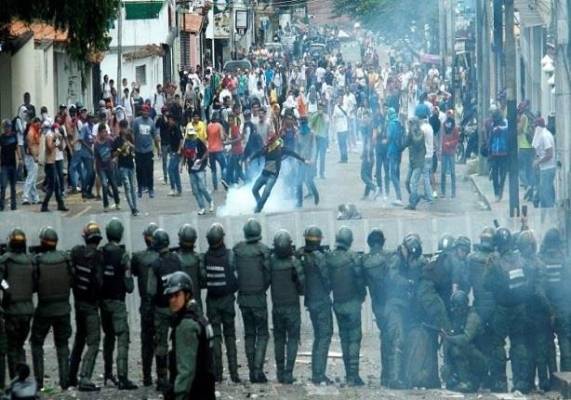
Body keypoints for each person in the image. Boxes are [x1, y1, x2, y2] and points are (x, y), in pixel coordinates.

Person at [484, 227, 531, 393]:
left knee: (497, 345)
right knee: (519, 344)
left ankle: (500, 382)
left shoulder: (495, 262)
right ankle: (521, 382)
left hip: (502, 309)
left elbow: (486, 284)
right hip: (520, 308)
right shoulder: (521, 259)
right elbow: (528, 281)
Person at [30, 227, 72, 390]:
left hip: (44, 309)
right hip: (63, 309)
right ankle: (65, 381)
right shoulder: (65, 258)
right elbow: (72, 278)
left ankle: (39, 382)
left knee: (36, 343)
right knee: (62, 344)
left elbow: (33, 285)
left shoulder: (38, 260)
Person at [163, 271, 216, 400]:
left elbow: (186, 370)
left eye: (177, 295)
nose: (173, 300)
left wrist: (178, 394)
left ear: (187, 295)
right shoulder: (200, 317)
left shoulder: (186, 325)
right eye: (170, 296)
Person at [324, 227, 366, 386]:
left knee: (344, 339)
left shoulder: (329, 257)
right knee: (354, 338)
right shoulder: (353, 257)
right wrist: (362, 295)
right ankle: (353, 375)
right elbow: (360, 280)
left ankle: (349, 373)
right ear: (350, 240)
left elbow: (327, 282)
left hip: (338, 303)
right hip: (353, 302)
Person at [99, 219, 137, 390]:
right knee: (122, 338)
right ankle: (122, 376)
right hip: (118, 302)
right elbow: (129, 286)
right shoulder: (123, 255)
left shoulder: (101, 253)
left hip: (103, 302)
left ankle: (108, 374)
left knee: (108, 337)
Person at [233, 219, 271, 383]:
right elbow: (268, 275)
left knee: (249, 334)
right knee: (262, 334)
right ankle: (257, 370)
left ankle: (251, 371)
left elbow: (233, 271)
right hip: (259, 298)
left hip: (244, 298)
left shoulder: (238, 249)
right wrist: (261, 288)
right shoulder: (264, 250)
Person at [202, 224, 240, 383]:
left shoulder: (205, 257)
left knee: (215, 337)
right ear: (222, 238)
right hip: (227, 301)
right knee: (230, 336)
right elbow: (236, 280)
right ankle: (234, 374)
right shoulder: (230, 255)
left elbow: (203, 280)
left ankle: (218, 374)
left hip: (212, 302)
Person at [68, 222, 104, 391]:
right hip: (91, 306)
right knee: (94, 342)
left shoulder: (76, 252)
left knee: (79, 339)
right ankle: (85, 377)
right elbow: (99, 283)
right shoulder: (99, 257)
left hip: (78, 303)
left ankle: (70, 376)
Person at [296, 226, 333, 384]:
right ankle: (318, 374)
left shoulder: (300, 255)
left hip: (310, 301)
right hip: (322, 301)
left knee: (318, 337)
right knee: (324, 336)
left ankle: (317, 372)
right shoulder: (319, 257)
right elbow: (327, 279)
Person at [147, 228, 182, 392]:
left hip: (161, 309)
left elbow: (151, 291)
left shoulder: (155, 265)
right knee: (178, 343)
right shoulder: (177, 260)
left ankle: (162, 378)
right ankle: (178, 376)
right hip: (177, 308)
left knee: (161, 345)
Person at [269, 230, 304, 384]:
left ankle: (280, 372)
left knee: (279, 339)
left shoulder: (271, 262)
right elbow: (302, 287)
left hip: (277, 307)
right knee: (293, 339)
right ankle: (288, 373)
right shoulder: (294, 262)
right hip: (292, 307)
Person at [0, 229, 34, 379]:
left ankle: (16, 380)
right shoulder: (30, 260)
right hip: (27, 310)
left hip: (12, 311)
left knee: (12, 347)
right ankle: (22, 379)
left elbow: (1, 280)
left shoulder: (6, 259)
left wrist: (7, 289)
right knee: (20, 346)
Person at [538, 228, 571, 372]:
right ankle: (567, 377)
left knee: (548, 345)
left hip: (545, 307)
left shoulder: (541, 259)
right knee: (565, 342)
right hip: (563, 307)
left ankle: (553, 377)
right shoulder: (564, 259)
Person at [130, 222, 159, 386]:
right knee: (161, 341)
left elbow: (134, 272)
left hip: (146, 306)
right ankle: (162, 376)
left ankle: (147, 376)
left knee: (146, 342)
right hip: (160, 306)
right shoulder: (163, 258)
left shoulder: (138, 258)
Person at [249, 133, 308, 213]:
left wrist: (303, 160)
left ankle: (258, 209)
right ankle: (259, 204)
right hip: (264, 174)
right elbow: (258, 153)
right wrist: (250, 159)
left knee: (266, 192)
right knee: (254, 190)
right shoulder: (267, 149)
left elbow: (292, 153)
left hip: (272, 176)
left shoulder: (281, 150)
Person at [361, 229, 391, 385]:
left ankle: (385, 375)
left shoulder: (365, 260)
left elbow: (362, 282)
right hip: (392, 303)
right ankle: (394, 374)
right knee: (395, 338)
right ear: (382, 242)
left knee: (384, 337)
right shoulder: (390, 257)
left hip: (377, 305)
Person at [441, 291, 486, 392]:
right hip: (471, 356)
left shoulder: (473, 317)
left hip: (480, 360)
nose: (455, 309)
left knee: (457, 349)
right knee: (451, 348)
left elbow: (465, 339)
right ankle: (457, 377)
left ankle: (466, 382)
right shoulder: (458, 317)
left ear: (463, 305)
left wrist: (448, 337)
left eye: (457, 306)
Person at [181, 125, 214, 215]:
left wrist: (201, 160)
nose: (191, 136)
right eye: (189, 135)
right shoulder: (185, 143)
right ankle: (202, 207)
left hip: (200, 167)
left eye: (192, 134)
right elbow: (184, 155)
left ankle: (210, 201)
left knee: (202, 187)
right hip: (191, 169)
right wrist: (181, 165)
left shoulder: (198, 141)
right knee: (195, 190)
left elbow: (206, 151)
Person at [133, 104, 161, 198]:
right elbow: (133, 134)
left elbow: (155, 136)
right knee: (139, 170)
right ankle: (140, 188)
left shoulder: (151, 122)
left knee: (149, 170)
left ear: (149, 112)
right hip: (138, 150)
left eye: (147, 111)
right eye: (144, 111)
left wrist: (158, 149)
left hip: (148, 150)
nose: (145, 112)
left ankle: (150, 189)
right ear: (141, 111)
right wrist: (133, 147)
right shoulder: (136, 121)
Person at [40, 121, 68, 212]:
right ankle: (44, 205)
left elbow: (60, 148)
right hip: (49, 163)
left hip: (53, 163)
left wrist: (61, 139)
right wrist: (55, 139)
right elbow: (50, 147)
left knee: (57, 186)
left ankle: (60, 204)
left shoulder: (53, 136)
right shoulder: (49, 136)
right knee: (52, 187)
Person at [113, 120, 138, 216]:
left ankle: (135, 207)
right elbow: (114, 154)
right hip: (122, 165)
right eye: (123, 127)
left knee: (133, 187)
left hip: (130, 164)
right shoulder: (117, 140)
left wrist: (131, 145)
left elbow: (135, 148)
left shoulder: (130, 137)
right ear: (120, 128)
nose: (124, 129)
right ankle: (132, 208)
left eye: (126, 127)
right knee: (127, 186)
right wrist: (121, 149)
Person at [176, 225, 204, 311]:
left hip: (179, 304)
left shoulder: (174, 258)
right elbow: (203, 282)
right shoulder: (199, 258)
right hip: (196, 303)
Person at [94, 123, 120, 211]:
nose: (105, 134)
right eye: (103, 132)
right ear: (99, 133)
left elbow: (116, 151)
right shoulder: (96, 144)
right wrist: (96, 169)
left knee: (114, 185)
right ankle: (106, 205)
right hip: (101, 168)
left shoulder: (110, 141)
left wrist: (115, 158)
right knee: (104, 185)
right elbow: (96, 158)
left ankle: (117, 202)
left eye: (105, 132)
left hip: (109, 166)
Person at [531, 117, 556, 208]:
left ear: (538, 127)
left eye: (534, 127)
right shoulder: (543, 134)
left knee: (545, 194)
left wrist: (538, 162)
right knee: (545, 191)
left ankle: (549, 211)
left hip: (547, 168)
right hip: (545, 168)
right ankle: (547, 210)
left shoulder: (544, 136)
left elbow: (549, 154)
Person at [296, 116, 319, 207]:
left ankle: (316, 194)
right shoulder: (298, 134)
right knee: (299, 182)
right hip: (301, 161)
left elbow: (314, 147)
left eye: (304, 122)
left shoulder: (311, 134)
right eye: (301, 122)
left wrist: (313, 159)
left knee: (309, 180)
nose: (302, 124)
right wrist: (297, 158)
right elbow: (297, 148)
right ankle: (299, 202)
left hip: (310, 160)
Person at [404, 117, 426, 210]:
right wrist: (408, 133)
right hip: (412, 161)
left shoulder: (421, 133)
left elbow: (417, 143)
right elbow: (405, 143)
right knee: (407, 182)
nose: (410, 126)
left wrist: (411, 132)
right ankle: (415, 197)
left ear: (416, 124)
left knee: (414, 182)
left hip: (419, 161)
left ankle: (412, 204)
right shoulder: (410, 133)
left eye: (411, 124)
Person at [488, 110, 509, 202]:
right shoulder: (493, 125)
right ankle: (497, 193)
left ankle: (500, 191)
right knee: (495, 175)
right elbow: (490, 138)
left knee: (503, 175)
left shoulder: (505, 123)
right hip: (494, 153)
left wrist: (500, 128)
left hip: (504, 153)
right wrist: (489, 151)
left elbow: (507, 130)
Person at [0, 120, 19, 211]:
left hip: (13, 164)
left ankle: (13, 205)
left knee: (13, 186)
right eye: (6, 127)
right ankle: (1, 205)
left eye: (9, 126)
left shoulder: (14, 136)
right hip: (4, 165)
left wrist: (20, 159)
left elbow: (17, 147)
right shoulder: (1, 137)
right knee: (3, 186)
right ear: (4, 128)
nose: (8, 128)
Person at [21, 118, 41, 206]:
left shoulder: (35, 131)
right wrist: (34, 157)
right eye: (38, 124)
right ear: (34, 123)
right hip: (31, 157)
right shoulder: (31, 132)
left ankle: (35, 198)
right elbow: (30, 146)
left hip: (34, 157)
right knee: (30, 178)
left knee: (33, 179)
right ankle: (25, 197)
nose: (39, 125)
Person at [206, 113, 228, 191]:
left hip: (211, 150)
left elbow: (207, 137)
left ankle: (215, 188)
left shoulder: (208, 126)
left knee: (213, 170)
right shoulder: (219, 126)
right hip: (219, 150)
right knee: (224, 166)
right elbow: (222, 138)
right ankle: (223, 179)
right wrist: (225, 137)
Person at [440, 110, 459, 198]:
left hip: (451, 152)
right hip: (444, 152)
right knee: (443, 172)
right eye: (447, 114)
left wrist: (450, 143)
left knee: (452, 172)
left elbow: (457, 140)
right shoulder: (443, 126)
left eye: (450, 115)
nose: (449, 116)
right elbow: (441, 137)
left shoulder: (455, 128)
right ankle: (443, 192)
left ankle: (453, 192)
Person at [309, 102, 329, 179]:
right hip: (316, 138)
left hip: (323, 138)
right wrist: (317, 115)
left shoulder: (326, 116)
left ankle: (322, 173)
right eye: (319, 108)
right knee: (315, 156)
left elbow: (326, 125)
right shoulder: (314, 115)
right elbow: (310, 125)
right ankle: (314, 172)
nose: (321, 109)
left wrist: (321, 116)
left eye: (322, 108)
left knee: (322, 157)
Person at [165, 114, 183, 196]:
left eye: (170, 119)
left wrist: (179, 149)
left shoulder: (176, 128)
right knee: (175, 171)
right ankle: (179, 189)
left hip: (176, 152)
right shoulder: (170, 128)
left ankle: (173, 188)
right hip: (172, 151)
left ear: (172, 120)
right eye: (168, 119)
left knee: (170, 169)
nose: (169, 121)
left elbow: (181, 139)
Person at [332, 95, 349, 163]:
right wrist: (334, 123)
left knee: (343, 143)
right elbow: (334, 115)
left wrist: (340, 108)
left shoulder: (345, 106)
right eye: (339, 99)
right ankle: (342, 157)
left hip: (344, 127)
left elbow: (345, 113)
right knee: (340, 143)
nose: (340, 100)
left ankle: (345, 157)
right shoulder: (336, 106)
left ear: (343, 99)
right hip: (338, 127)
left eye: (341, 99)